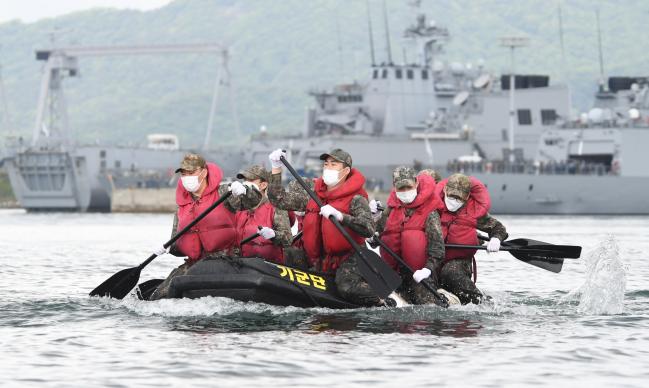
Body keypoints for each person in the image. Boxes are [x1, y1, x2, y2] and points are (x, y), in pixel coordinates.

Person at [267, 148, 380, 306]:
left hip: (349, 256)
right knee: (286, 256)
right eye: (326, 164)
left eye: (333, 165)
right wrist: (276, 168)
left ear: (346, 170)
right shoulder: (313, 193)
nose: (328, 168)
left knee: (347, 287)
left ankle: (380, 298)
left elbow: (368, 228)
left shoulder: (356, 198)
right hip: (319, 257)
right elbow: (279, 200)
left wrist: (341, 216)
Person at [150, 153, 261, 300]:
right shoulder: (182, 209)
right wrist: (169, 248)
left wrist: (246, 191)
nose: (186, 177)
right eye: (183, 174)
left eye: (191, 173)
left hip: (224, 260)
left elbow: (252, 201)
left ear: (204, 172)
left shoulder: (224, 192)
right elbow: (178, 246)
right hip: (195, 264)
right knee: (160, 296)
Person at [372, 166, 445, 305]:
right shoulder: (391, 210)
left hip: (421, 274)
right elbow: (375, 241)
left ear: (416, 183)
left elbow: (438, 249)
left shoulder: (430, 212)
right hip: (395, 274)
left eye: (408, 187)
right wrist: (374, 219)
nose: (405, 192)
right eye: (401, 188)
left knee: (426, 305)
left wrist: (427, 270)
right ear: (394, 188)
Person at [435, 173, 508, 304]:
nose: (454, 201)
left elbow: (498, 228)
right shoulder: (432, 207)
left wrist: (496, 239)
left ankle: (482, 302)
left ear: (467, 196)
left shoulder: (474, 211)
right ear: (445, 190)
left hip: (459, 262)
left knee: (450, 272)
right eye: (452, 196)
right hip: (433, 258)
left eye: (459, 198)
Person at [235, 165, 292, 264]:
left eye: (251, 180)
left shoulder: (275, 208)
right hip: (243, 267)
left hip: (269, 269)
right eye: (245, 180)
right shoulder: (239, 208)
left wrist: (274, 235)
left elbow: (288, 239)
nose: (245, 184)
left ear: (263, 185)